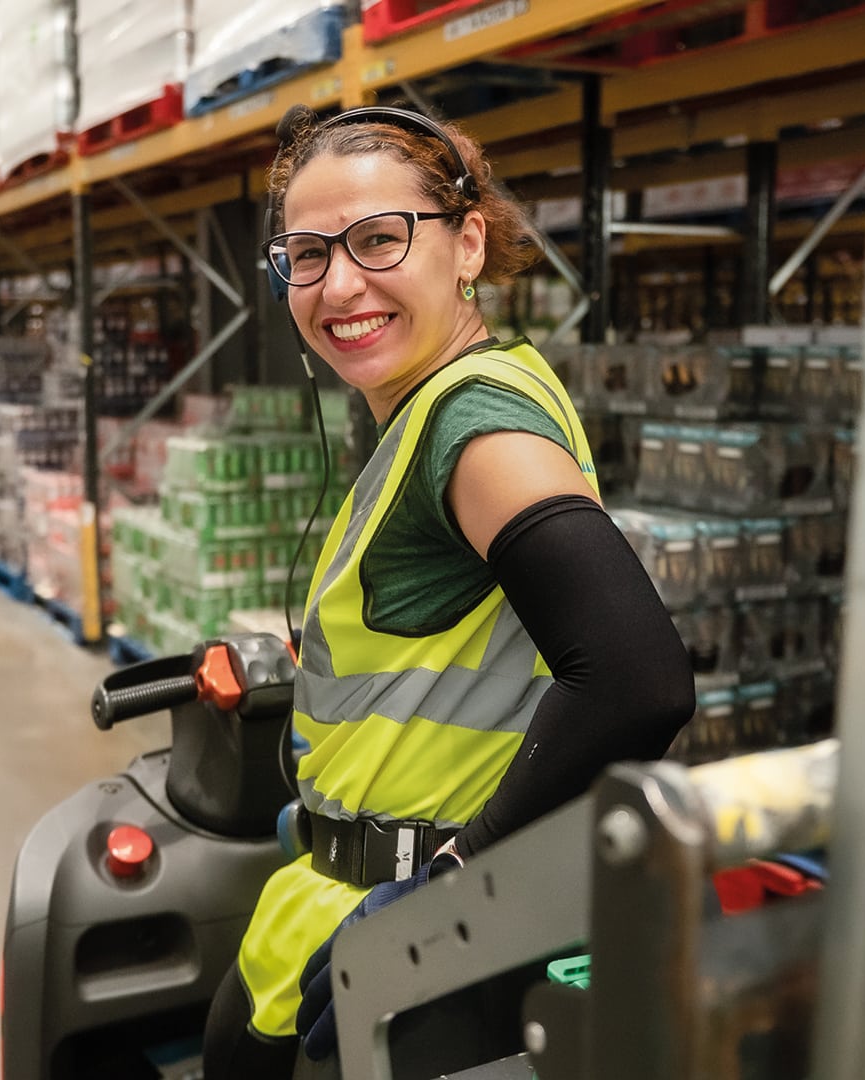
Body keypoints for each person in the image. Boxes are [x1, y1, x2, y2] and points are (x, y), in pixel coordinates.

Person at [201, 104, 696, 1077]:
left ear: (467, 242)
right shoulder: (450, 399)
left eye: (380, 239)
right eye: (305, 255)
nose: (339, 284)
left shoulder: (474, 429)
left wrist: (444, 895)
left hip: (416, 939)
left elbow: (638, 681)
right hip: (347, 907)